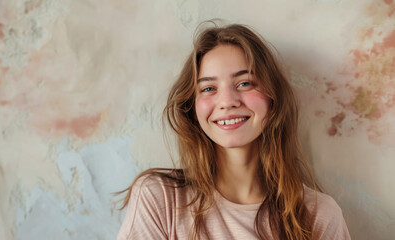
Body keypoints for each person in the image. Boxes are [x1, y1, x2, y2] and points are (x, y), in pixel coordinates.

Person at [116, 21, 351, 240]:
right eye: (208, 88)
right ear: (192, 108)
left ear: (273, 98)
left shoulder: (320, 215)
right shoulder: (160, 197)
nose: (227, 101)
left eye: (245, 83)